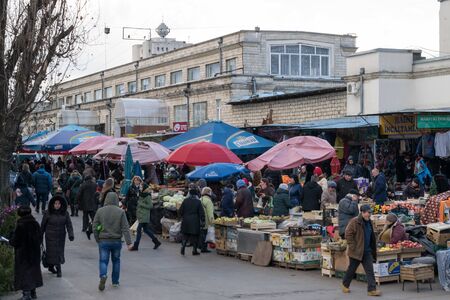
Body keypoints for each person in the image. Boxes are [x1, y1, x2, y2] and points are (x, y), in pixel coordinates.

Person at [93, 192, 133, 291]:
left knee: (103, 261)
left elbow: (94, 226)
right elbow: (125, 228)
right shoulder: (121, 212)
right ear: (116, 200)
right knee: (116, 261)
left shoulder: (100, 211)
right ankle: (115, 282)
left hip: (103, 240)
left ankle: (103, 275)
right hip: (116, 241)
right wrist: (129, 243)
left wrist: (97, 238)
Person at [341, 204, 381, 296]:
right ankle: (345, 284)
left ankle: (372, 290)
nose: (369, 214)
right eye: (368, 213)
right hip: (356, 251)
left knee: (370, 270)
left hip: (367, 251)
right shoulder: (355, 221)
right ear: (362, 212)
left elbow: (371, 236)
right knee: (352, 269)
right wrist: (353, 246)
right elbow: (348, 234)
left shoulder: (369, 222)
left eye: (370, 213)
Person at [9, 206, 43, 300]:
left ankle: (26, 294)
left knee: (24, 273)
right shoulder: (35, 224)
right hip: (34, 253)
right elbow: (40, 238)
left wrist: (11, 237)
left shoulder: (20, 225)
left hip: (23, 254)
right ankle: (33, 292)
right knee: (33, 271)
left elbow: (15, 241)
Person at [41, 194, 74, 278]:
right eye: (55, 203)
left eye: (59, 204)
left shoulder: (65, 213)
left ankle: (53, 267)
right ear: (52, 204)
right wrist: (40, 236)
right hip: (50, 236)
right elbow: (43, 226)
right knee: (51, 252)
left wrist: (71, 234)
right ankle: (57, 268)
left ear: (61, 204)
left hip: (60, 236)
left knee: (58, 252)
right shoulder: (48, 213)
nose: (57, 205)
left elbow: (69, 225)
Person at [130, 184, 161, 251]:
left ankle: (136, 246)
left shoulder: (147, 196)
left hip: (144, 215)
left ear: (144, 188)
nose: (140, 188)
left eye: (141, 187)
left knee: (138, 230)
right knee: (146, 230)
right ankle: (156, 242)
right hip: (140, 215)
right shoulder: (141, 194)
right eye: (140, 187)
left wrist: (141, 204)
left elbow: (150, 206)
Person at [179, 184, 205, 256]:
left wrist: (181, 217)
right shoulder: (198, 202)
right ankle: (194, 250)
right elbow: (201, 212)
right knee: (195, 236)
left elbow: (180, 211)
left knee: (185, 235)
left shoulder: (185, 201)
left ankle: (183, 246)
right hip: (195, 221)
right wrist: (203, 220)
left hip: (186, 220)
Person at [200, 187, 215, 253]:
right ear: (209, 192)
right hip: (206, 220)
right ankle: (204, 248)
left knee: (201, 233)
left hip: (200, 220)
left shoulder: (200, 199)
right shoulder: (209, 201)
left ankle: (200, 246)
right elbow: (210, 213)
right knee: (205, 234)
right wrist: (212, 223)